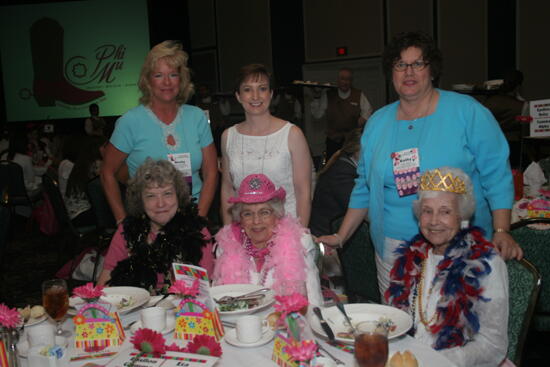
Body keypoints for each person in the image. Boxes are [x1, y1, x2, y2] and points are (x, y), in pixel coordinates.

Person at [316, 31, 521, 296]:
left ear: (432, 70)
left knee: (454, 328)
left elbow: (497, 174)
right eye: (400, 64)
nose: (408, 72)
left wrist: (502, 229)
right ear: (391, 72)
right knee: (400, 328)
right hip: (392, 249)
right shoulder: (377, 122)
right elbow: (363, 187)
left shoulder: (467, 112)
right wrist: (341, 236)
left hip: (458, 245)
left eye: (418, 63)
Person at [385, 167, 508, 367]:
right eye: (427, 211)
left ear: (462, 216)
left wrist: (435, 361)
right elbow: (398, 321)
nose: (434, 221)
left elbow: (493, 345)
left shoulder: (487, 264)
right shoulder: (412, 259)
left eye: (446, 211)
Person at [101, 40, 218, 224]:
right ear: (148, 80)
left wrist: (199, 220)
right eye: (158, 75)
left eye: (173, 74)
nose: (167, 82)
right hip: (147, 220)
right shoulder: (130, 122)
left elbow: (211, 172)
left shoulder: (196, 117)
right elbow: (108, 172)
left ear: (182, 79)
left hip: (192, 215)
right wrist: (122, 224)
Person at [97, 159, 214, 292]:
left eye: (167, 194)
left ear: (178, 196)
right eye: (151, 196)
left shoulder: (197, 231)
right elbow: (104, 285)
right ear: (140, 201)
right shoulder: (126, 231)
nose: (160, 204)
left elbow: (205, 290)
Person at [220, 64, 312, 226]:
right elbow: (227, 188)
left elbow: (303, 191)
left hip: (285, 232)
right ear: (238, 96)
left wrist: (300, 234)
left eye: (262, 89)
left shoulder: (292, 134)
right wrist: (228, 233)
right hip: (244, 230)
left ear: (271, 94)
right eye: (247, 89)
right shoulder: (228, 136)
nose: (255, 96)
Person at [213, 173, 323, 307]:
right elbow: (218, 302)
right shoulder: (226, 247)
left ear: (277, 215)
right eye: (248, 214)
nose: (256, 221)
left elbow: (314, 306)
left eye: (264, 212)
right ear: (240, 219)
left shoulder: (299, 243)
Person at [310, 68, 373, 160]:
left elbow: (368, 110)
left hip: (351, 141)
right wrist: (316, 97)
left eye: (348, 79)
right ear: (338, 80)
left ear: (351, 81)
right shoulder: (328, 95)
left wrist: (361, 120)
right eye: (342, 79)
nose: (345, 82)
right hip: (333, 140)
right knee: (332, 166)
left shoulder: (358, 94)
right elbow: (317, 115)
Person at [309, 128, 361, 237]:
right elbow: (359, 206)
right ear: (356, 149)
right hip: (325, 234)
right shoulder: (342, 172)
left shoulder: (345, 163)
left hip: (333, 230)